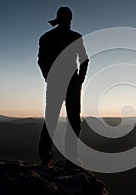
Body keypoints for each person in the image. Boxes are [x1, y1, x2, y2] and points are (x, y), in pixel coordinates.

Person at [37, 7, 89, 166]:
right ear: (70, 19)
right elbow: (84, 60)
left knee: (51, 119)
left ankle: (45, 157)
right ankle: (72, 157)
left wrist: (48, 76)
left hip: (56, 82)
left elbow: (41, 60)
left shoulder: (46, 37)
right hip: (72, 83)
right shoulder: (75, 37)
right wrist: (80, 79)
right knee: (73, 120)